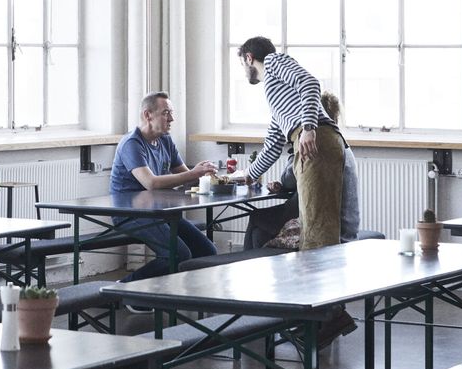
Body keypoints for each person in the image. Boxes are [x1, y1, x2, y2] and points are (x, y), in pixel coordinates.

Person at [238, 37, 345, 251]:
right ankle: (311, 282)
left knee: (317, 227)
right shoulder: (278, 94)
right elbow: (273, 145)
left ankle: (319, 282)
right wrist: (248, 174)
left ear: (249, 58)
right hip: (312, 141)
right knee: (311, 224)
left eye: (242, 64)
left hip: (317, 140)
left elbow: (310, 83)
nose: (243, 71)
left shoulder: (272, 61)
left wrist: (308, 128)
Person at [109, 91, 218, 281]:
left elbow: (185, 177)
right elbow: (150, 183)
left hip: (160, 212)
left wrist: (207, 174)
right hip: (131, 214)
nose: (172, 119)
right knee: (178, 254)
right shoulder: (131, 143)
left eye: (171, 113)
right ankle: (124, 289)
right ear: (147, 115)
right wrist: (194, 173)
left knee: (207, 250)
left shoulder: (165, 141)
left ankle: (186, 294)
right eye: (166, 113)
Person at [246, 92, 361, 251]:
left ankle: (247, 264)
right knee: (260, 233)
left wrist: (293, 150)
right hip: (349, 229)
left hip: (330, 231)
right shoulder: (343, 147)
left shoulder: (314, 145)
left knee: (256, 218)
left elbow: (288, 179)